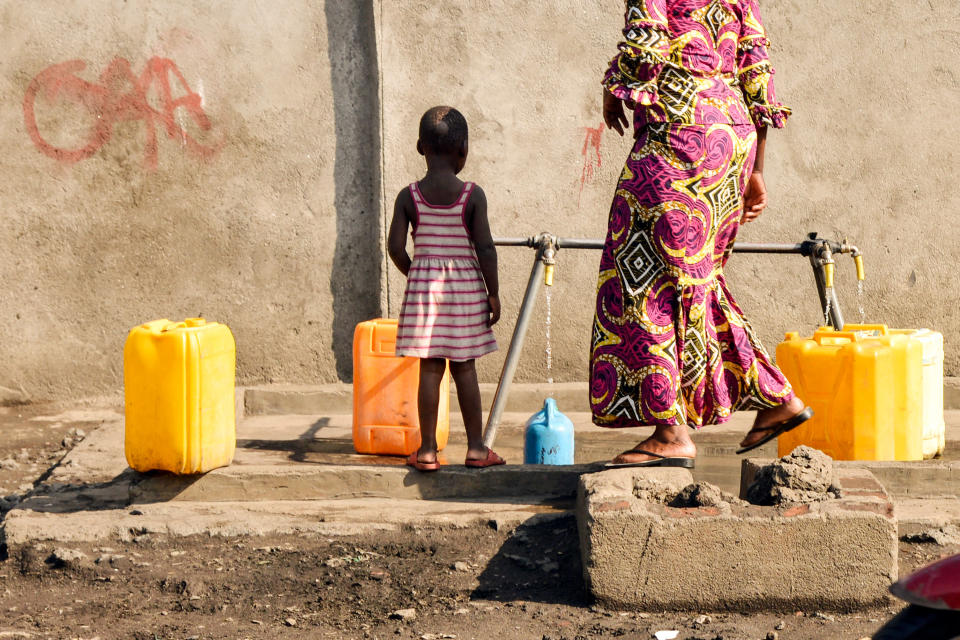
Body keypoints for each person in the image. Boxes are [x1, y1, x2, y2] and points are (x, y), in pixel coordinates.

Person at [591, 0, 812, 467]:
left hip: (680, 132)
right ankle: (775, 399)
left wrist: (615, 84)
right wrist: (756, 169)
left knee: (641, 278)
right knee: (696, 280)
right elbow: (757, 70)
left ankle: (671, 434)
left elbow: (646, 45)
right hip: (731, 136)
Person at [388, 106, 505, 472]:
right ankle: (475, 448)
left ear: (420, 147)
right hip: (467, 293)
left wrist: (417, 274)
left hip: (426, 294)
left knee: (430, 369)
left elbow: (394, 247)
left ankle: (426, 451)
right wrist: (493, 292)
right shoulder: (472, 195)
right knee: (465, 369)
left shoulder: (409, 196)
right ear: (464, 149)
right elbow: (485, 247)